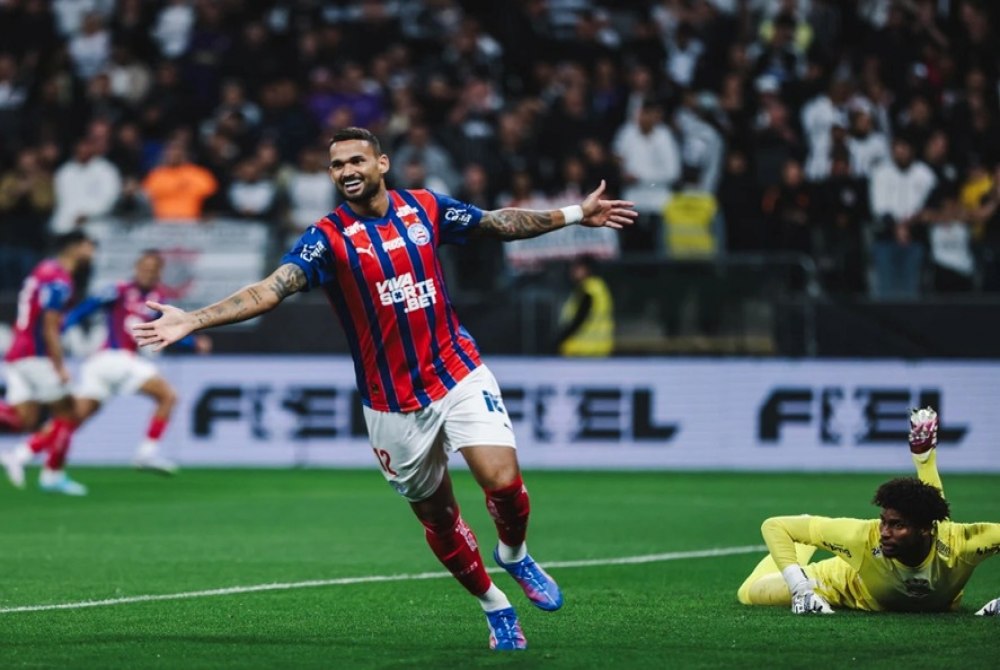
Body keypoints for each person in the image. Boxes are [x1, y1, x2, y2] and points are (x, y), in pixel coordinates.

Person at [132, 127, 637, 650]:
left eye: (356, 160)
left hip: (456, 370)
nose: (347, 171)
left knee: (503, 482)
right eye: (337, 165)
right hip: (391, 404)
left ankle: (514, 555)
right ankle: (495, 607)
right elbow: (271, 289)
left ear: (382, 163)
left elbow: (496, 223)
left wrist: (574, 214)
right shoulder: (326, 238)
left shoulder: (425, 208)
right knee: (438, 516)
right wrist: (193, 319)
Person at [737, 407, 1000, 616]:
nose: (884, 532)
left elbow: (935, 520)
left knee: (935, 519)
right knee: (748, 593)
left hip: (933, 543)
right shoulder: (863, 537)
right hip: (834, 585)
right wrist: (800, 589)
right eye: (883, 521)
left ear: (924, 529)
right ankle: (803, 542)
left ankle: (924, 458)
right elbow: (775, 526)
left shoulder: (960, 543)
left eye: (897, 525)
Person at [32, 249, 211, 476]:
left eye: (153, 269)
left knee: (76, 416)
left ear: (159, 273)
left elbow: (169, 333)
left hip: (110, 365)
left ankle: (25, 451)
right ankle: (146, 453)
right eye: (144, 268)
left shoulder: (158, 300)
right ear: (136, 269)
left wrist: (192, 343)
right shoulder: (118, 290)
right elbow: (85, 309)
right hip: (115, 358)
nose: (148, 273)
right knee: (168, 396)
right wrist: (60, 330)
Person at [0, 231, 95, 495]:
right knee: (70, 414)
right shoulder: (60, 281)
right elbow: (50, 327)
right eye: (88, 247)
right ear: (74, 248)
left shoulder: (42, 270)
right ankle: (52, 475)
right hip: (36, 355)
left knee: (25, 419)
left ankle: (21, 456)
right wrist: (59, 365)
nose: (92, 253)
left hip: (17, 351)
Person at [556, 255, 614, 357]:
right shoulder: (599, 287)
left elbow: (579, 320)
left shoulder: (588, 290)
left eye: (576, 268)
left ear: (586, 269)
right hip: (599, 350)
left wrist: (559, 340)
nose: (572, 271)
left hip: (582, 350)